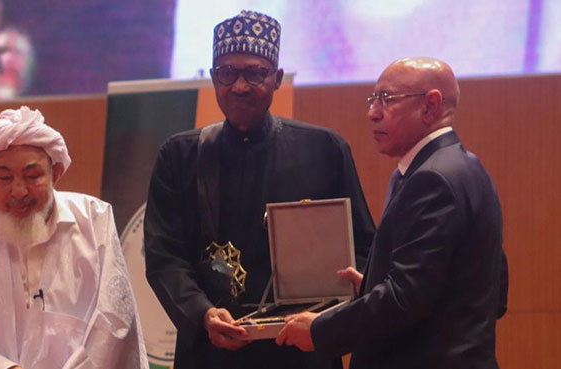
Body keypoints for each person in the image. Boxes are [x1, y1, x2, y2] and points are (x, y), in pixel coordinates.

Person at [144, 10, 375, 369]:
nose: (239, 86)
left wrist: (327, 319)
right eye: (227, 73)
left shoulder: (325, 150)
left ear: (277, 78)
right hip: (213, 350)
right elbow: (164, 257)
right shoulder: (179, 156)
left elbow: (362, 251)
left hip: (302, 352)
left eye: (254, 73)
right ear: (212, 77)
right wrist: (202, 314)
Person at [276, 57, 509, 369]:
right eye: (373, 99)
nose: (372, 113)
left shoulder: (433, 179)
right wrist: (373, 285)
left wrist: (319, 330)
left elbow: (405, 299)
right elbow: (492, 289)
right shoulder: (467, 167)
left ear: (430, 106)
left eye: (387, 99)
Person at [0, 106, 148, 369]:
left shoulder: (94, 220)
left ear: (56, 173)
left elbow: (115, 319)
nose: (19, 191)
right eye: (5, 177)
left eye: (33, 176)